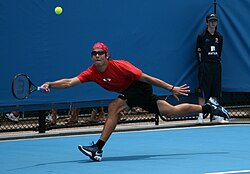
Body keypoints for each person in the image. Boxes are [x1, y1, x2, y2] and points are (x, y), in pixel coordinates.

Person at [41, 42, 230, 162]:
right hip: (132, 92)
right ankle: (211, 107)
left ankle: (97, 148)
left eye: (100, 53)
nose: (96, 55)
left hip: (139, 87)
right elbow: (69, 82)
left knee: (113, 107)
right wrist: (50, 84)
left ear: (107, 56)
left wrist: (171, 88)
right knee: (169, 112)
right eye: (94, 53)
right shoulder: (91, 72)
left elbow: (148, 79)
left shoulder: (121, 66)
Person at [196, 13, 226, 123]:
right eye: (211, 21)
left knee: (216, 91)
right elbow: (198, 52)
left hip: (216, 66)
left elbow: (219, 51)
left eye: (215, 21)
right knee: (203, 91)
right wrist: (202, 64)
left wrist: (216, 61)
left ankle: (216, 115)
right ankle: (200, 115)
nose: (213, 23)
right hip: (205, 66)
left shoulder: (219, 37)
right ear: (207, 22)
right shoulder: (202, 36)